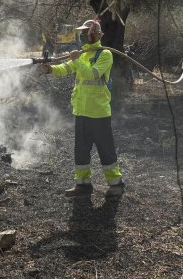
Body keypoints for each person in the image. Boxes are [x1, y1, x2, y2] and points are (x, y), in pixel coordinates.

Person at [42, 19, 125, 197]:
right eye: (82, 32)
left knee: (106, 149)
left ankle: (116, 184)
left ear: (94, 33)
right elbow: (66, 68)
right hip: (81, 111)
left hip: (98, 113)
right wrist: (51, 69)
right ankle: (83, 185)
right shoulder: (85, 54)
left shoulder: (104, 55)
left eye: (85, 32)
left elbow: (92, 74)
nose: (82, 35)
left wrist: (77, 60)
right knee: (80, 151)